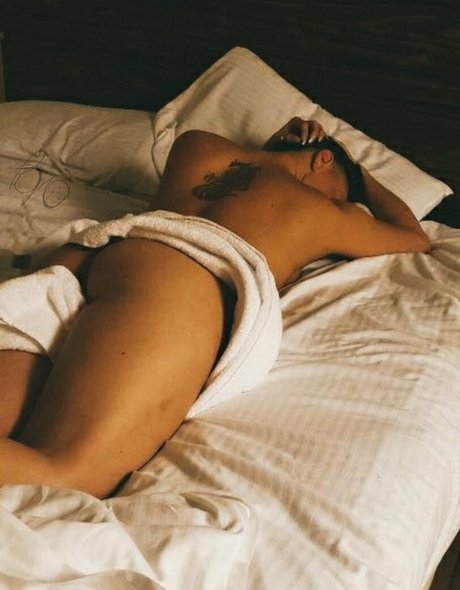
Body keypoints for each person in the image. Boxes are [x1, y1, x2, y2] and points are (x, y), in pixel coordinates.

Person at [0, 118, 430, 498]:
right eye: (341, 192)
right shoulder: (324, 214)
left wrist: (283, 145)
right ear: (322, 160)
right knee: (66, 475)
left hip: (95, 261)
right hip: (175, 286)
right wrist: (359, 173)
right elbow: (414, 236)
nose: (341, 202)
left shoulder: (197, 145)